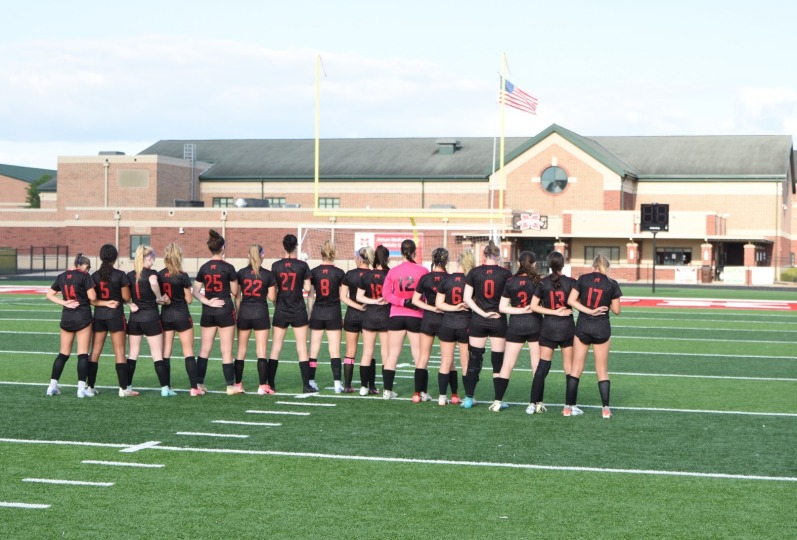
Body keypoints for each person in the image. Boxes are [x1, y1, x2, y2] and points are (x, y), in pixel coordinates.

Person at [566, 253, 622, 419]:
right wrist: (604, 304)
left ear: (594, 265)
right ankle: (605, 409)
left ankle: (568, 408)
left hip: (583, 326)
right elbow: (617, 310)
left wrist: (589, 309)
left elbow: (571, 300)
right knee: (602, 370)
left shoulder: (583, 279)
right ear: (606, 266)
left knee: (576, 369)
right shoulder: (612, 283)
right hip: (601, 328)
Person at [461, 240, 512, 409]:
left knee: (474, 359)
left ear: (484, 255)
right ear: (498, 256)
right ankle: (498, 401)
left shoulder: (475, 272)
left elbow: (467, 298)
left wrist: (481, 312)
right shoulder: (505, 274)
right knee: (498, 362)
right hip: (498, 319)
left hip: (479, 320)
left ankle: (469, 398)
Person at [492, 251, 543, 412]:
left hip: (516, 325)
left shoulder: (511, 281)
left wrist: (520, 311)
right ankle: (536, 403)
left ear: (519, 263)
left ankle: (498, 401)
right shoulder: (537, 281)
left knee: (507, 364)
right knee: (536, 365)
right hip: (535, 323)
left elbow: (502, 307)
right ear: (533, 263)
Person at [192, 229, 240, 395]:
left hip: (209, 310)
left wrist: (207, 301)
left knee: (205, 349)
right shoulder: (228, 267)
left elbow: (195, 291)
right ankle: (230, 386)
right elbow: (234, 292)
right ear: (223, 248)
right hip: (225, 309)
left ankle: (199, 384)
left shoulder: (204, 267)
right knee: (226, 350)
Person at [381, 239, 429, 400]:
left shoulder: (393, 271)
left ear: (401, 252)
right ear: (415, 251)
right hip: (416, 315)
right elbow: (427, 294)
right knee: (419, 355)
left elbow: (386, 294)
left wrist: (402, 302)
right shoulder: (422, 270)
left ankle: (387, 391)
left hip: (396, 315)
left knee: (392, 354)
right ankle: (421, 391)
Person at [529, 251, 576, 415]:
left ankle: (532, 404)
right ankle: (569, 406)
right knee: (569, 369)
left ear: (549, 265)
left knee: (542, 367)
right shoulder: (571, 282)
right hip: (567, 327)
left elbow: (533, 306)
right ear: (563, 264)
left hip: (549, 326)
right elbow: (579, 303)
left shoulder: (543, 282)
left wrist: (552, 311)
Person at [45, 253, 98, 397]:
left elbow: (49, 294)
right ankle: (81, 389)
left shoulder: (62, 276)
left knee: (63, 353)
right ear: (84, 266)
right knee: (82, 354)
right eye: (88, 268)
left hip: (67, 316)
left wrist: (64, 302)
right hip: (82, 316)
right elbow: (92, 297)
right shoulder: (84, 275)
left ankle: (52, 386)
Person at [127, 245, 174, 397]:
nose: (154, 261)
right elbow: (153, 282)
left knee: (133, 354)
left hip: (135, 318)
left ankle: (127, 386)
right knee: (157, 354)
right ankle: (165, 388)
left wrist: (129, 304)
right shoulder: (152, 273)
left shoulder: (130, 275)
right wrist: (159, 297)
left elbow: (122, 295)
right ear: (148, 257)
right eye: (153, 258)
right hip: (151, 316)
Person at [269, 234, 313, 393]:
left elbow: (272, 292)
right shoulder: (302, 265)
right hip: (298, 309)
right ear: (295, 247)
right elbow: (308, 289)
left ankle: (271, 384)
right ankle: (306, 385)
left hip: (281, 308)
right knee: (302, 349)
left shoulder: (275, 265)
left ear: (284, 246)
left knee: (275, 348)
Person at [434, 250, 475, 406]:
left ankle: (442, 397)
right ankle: (467, 397)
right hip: (465, 324)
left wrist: (454, 307)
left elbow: (439, 304)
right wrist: (460, 307)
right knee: (465, 363)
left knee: (445, 362)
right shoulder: (471, 280)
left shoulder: (447, 279)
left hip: (448, 323)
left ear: (458, 262)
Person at [89, 244, 131, 397]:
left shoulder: (94, 276)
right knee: (119, 352)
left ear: (101, 257)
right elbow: (126, 297)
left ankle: (90, 387)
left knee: (94, 352)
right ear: (115, 257)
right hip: (115, 316)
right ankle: (123, 389)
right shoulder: (120, 275)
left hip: (99, 316)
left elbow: (92, 299)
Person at [159, 243, 201, 397]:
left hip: (166, 315)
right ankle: (193, 388)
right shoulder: (182, 275)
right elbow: (189, 299)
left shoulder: (160, 275)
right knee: (188, 351)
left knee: (166, 353)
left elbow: (159, 297)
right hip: (182, 314)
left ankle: (167, 387)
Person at [235, 244, 277, 396]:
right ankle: (261, 386)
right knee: (261, 351)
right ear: (262, 255)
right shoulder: (267, 274)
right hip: (260, 312)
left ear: (248, 255)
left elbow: (237, 296)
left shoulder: (241, 273)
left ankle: (238, 384)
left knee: (241, 351)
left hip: (245, 312)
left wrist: (239, 313)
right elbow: (272, 297)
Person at [410, 247, 448, 403]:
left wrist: (432, 308)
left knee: (422, 357)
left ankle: (417, 394)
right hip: (445, 319)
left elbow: (415, 300)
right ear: (446, 260)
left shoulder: (426, 278)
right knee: (447, 360)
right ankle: (448, 395)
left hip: (428, 318)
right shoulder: (450, 278)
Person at [308, 241, 346, 393]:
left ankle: (311, 381)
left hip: (318, 311)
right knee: (335, 350)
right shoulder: (339, 273)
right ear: (333, 253)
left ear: (321, 253)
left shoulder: (314, 271)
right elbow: (343, 295)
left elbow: (310, 295)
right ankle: (337, 384)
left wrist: (310, 313)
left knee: (313, 350)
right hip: (333, 312)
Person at [356, 245, 390, 396]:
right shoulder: (389, 274)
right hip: (385, 316)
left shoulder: (367, 275)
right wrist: (380, 301)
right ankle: (387, 389)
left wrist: (373, 301)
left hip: (369, 315)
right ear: (387, 258)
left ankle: (363, 387)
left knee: (367, 352)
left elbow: (359, 297)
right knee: (386, 354)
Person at [339, 246, 372, 393]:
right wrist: (362, 306)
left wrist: (356, 307)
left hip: (351, 315)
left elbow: (342, 297)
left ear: (358, 257)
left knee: (350, 351)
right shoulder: (373, 274)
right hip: (368, 315)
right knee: (368, 351)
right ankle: (370, 386)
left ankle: (347, 385)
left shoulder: (350, 274)